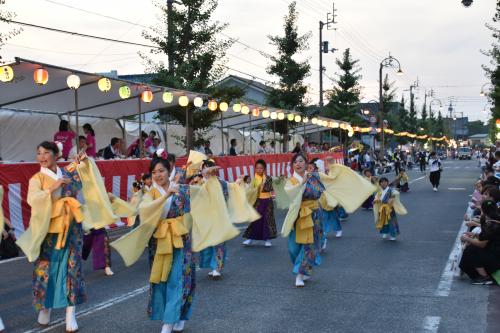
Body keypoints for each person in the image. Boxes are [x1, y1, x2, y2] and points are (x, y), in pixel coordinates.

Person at [110, 152, 255, 333]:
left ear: (169, 170)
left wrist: (208, 179)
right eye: (154, 172)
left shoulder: (183, 189)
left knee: (180, 280)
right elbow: (145, 211)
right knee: (162, 281)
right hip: (160, 244)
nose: (158, 175)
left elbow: (204, 195)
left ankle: (168, 323)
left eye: (161, 171)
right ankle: (175, 315)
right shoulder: (149, 194)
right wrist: (164, 197)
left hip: (181, 243)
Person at [15, 141, 119, 332]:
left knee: (73, 270)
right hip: (49, 232)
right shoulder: (37, 179)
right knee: (47, 270)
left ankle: (70, 314)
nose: (42, 157)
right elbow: (33, 200)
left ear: (56, 155)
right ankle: (45, 306)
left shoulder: (68, 174)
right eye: (38, 153)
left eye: (46, 152)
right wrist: (51, 189)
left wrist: (84, 163)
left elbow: (86, 177)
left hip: (72, 230)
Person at [279, 153, 375, 287]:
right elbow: (291, 193)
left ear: (306, 164)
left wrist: (332, 166)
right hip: (298, 216)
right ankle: (304, 267)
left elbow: (333, 179)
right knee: (293, 248)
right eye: (295, 162)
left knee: (309, 246)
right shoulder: (291, 181)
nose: (298, 164)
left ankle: (300, 274)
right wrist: (302, 182)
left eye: (301, 161)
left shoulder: (316, 176)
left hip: (314, 215)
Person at [459, 200, 500, 285]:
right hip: (495, 254)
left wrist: (467, 239)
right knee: (472, 248)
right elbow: (489, 238)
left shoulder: (491, 224)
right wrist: (474, 235)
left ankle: (484, 277)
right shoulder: (494, 221)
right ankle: (482, 274)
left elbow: (482, 244)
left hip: (496, 258)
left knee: (471, 250)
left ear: (484, 211)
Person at [243, 159, 277, 247]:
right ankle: (250, 238)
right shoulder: (255, 179)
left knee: (267, 220)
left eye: (261, 168)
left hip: (267, 201)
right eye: (257, 168)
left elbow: (269, 188)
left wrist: (263, 184)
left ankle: (267, 239)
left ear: (264, 169)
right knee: (256, 219)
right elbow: (251, 191)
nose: (259, 170)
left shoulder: (268, 178)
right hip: (258, 201)